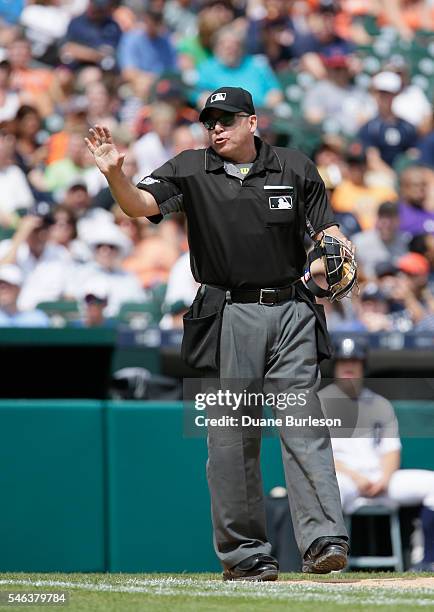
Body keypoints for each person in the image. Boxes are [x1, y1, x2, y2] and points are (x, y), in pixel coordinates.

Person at [85, 86, 355, 580]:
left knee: (305, 428)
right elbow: (139, 206)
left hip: (292, 310)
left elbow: (327, 230)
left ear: (252, 122)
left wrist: (336, 245)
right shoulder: (190, 166)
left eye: (227, 119)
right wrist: (114, 174)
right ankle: (245, 552)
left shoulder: (294, 166)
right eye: (210, 119)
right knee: (232, 437)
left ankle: (323, 542)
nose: (217, 127)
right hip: (229, 313)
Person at [319, 337, 434, 571]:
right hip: (344, 478)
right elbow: (319, 454)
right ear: (336, 367)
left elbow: (391, 450)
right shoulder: (320, 402)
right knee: (328, 491)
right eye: (344, 363)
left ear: (364, 367)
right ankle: (332, 563)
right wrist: (357, 477)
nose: (349, 368)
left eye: (355, 363)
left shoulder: (380, 404)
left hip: (381, 479)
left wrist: (384, 478)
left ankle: (427, 560)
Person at [358, 71, 418, 168]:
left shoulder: (407, 127)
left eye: (389, 94)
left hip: (405, 176)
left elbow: (413, 154)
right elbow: (373, 160)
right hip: (381, 176)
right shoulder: (369, 128)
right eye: (381, 93)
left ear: (395, 95)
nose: (385, 98)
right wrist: (394, 178)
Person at [352, 201, 408, 278]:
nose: (387, 223)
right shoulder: (359, 241)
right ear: (377, 219)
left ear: (398, 220)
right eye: (383, 217)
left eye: (391, 218)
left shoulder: (405, 241)